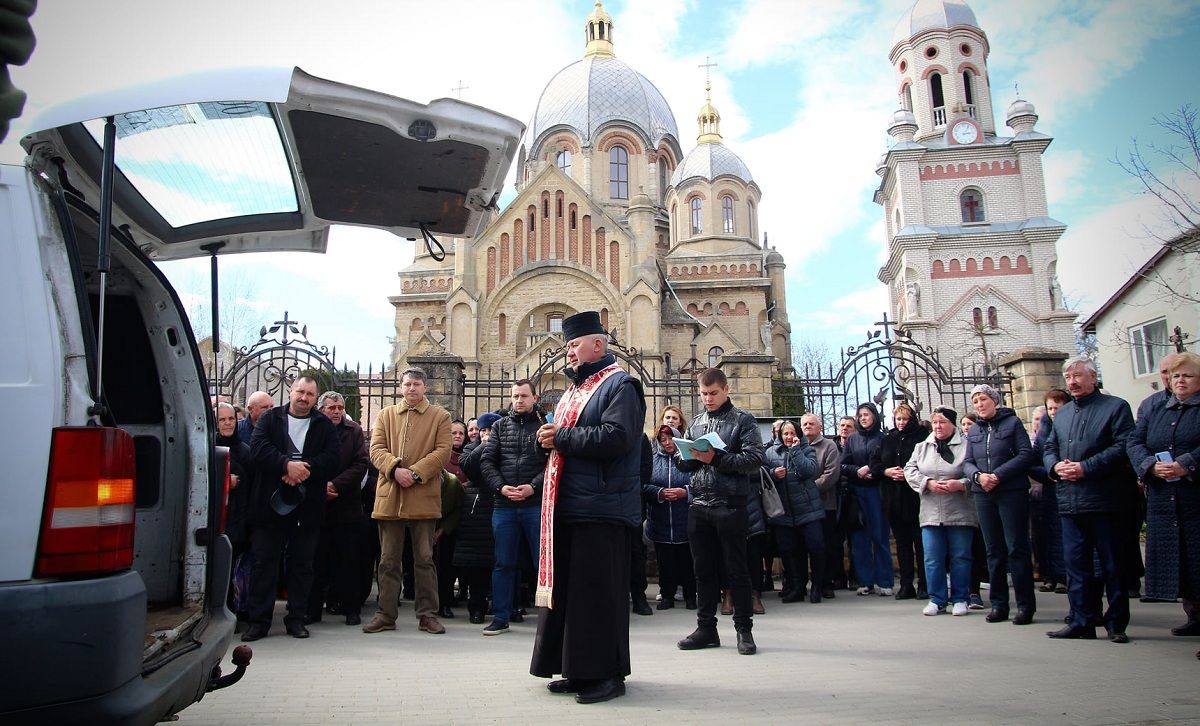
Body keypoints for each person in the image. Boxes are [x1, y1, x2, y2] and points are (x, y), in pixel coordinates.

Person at [530, 311, 646, 704]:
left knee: (599, 596)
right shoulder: (574, 391)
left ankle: (608, 674)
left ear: (598, 344)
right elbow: (559, 439)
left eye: (574, 345)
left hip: (602, 508)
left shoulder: (621, 386)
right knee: (574, 596)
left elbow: (616, 437)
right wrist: (544, 439)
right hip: (568, 506)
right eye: (566, 347)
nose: (569, 353)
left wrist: (561, 436)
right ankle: (578, 670)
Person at [1043, 356, 1136, 643]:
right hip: (1070, 501)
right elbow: (1049, 446)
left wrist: (1086, 468)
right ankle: (1081, 620)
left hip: (1105, 501)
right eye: (1068, 377)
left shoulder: (1115, 407)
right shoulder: (1065, 413)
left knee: (1112, 565)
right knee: (1076, 566)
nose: (1072, 381)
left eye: (1078, 375)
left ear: (1093, 377)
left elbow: (1123, 446)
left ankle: (1116, 623)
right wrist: (1055, 467)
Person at [674, 367, 766, 656]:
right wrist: (687, 456)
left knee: (736, 570)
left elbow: (754, 459)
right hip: (699, 504)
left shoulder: (743, 421)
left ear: (726, 389)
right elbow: (681, 461)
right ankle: (705, 628)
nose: (708, 399)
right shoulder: (697, 423)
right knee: (703, 571)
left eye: (713, 393)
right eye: (703, 394)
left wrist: (717, 458)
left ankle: (743, 629)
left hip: (730, 505)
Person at [242, 376, 340, 641]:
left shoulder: (323, 425)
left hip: (307, 507)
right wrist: (286, 466)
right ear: (290, 391)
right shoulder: (270, 419)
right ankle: (258, 621)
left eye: (309, 393)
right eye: (300, 391)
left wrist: (304, 470)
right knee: (264, 564)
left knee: (302, 565)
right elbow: (258, 448)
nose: (304, 397)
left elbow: (333, 457)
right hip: (269, 505)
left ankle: (296, 619)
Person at [364, 367, 453, 636]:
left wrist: (415, 473)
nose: (411, 388)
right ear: (400, 387)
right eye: (407, 384)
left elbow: (443, 451)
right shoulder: (385, 415)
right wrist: (394, 469)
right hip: (390, 496)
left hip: (423, 495)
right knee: (388, 560)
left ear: (425, 387)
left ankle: (427, 615)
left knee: (424, 559)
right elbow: (376, 449)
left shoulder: (440, 416)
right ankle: (385, 614)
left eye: (416, 384)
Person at [1127, 351, 1200, 637]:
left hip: (1194, 497)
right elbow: (1134, 442)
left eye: (1187, 375)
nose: (1180, 381)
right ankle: (1194, 615)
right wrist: (1150, 466)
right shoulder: (1156, 408)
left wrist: (1186, 464)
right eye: (1175, 375)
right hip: (1164, 500)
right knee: (1181, 562)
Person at [963, 383, 1038, 626]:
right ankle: (999, 604)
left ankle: (1025, 605)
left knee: (1016, 547)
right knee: (993, 550)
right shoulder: (974, 431)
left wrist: (998, 475)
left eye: (983, 399)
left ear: (994, 400)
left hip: (1010, 491)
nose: (979, 405)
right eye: (975, 401)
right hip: (983, 492)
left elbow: (1026, 454)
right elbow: (968, 461)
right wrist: (978, 477)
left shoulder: (1012, 424)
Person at [480, 380, 548, 635]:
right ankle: (500, 616)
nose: (519, 400)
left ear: (534, 397)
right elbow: (488, 462)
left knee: (541, 563)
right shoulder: (498, 426)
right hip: (504, 505)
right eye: (515, 396)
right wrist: (501, 487)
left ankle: (548, 618)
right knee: (503, 563)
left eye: (524, 396)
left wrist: (533, 486)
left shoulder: (544, 426)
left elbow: (553, 463)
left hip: (534, 503)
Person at [905, 406, 976, 616]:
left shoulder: (967, 446)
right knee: (932, 557)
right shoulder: (922, 447)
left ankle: (961, 598)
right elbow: (910, 469)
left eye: (942, 422)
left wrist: (961, 484)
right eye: (935, 422)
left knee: (960, 556)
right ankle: (937, 599)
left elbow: (975, 471)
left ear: (953, 425)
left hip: (960, 509)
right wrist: (927, 483)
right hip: (931, 510)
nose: (937, 426)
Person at [307, 392, 370, 627]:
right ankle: (312, 610)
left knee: (349, 562)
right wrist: (320, 485)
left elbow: (361, 463)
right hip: (317, 504)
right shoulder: (313, 428)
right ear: (322, 408)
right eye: (332, 407)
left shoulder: (353, 431)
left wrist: (335, 484)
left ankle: (350, 608)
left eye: (340, 407)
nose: (336, 411)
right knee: (316, 561)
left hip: (346, 504)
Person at [870, 403, 929, 600]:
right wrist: (887, 471)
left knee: (920, 544)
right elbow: (875, 464)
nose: (901, 423)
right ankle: (906, 584)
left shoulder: (922, 438)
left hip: (916, 497)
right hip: (893, 499)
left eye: (904, 419)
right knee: (902, 544)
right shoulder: (888, 439)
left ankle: (924, 584)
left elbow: (928, 464)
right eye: (898, 419)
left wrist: (909, 475)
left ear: (911, 419)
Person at [764, 420, 823, 604]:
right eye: (785, 434)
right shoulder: (771, 452)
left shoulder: (807, 449)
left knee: (815, 547)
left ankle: (817, 586)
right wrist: (773, 473)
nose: (789, 437)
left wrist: (796, 451)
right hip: (783, 512)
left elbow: (809, 471)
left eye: (792, 433)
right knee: (788, 551)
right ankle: (796, 587)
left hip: (808, 509)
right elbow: (764, 474)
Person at [842, 403, 892, 596]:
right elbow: (843, 465)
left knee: (880, 537)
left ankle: (885, 581)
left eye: (867, 415)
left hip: (876, 491)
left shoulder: (883, 438)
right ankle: (865, 581)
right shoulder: (852, 440)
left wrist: (873, 470)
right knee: (859, 539)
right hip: (857, 492)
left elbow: (887, 462)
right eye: (860, 415)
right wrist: (857, 471)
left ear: (875, 416)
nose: (863, 418)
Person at [647, 425, 695, 610]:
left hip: (685, 519)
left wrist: (685, 492)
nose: (667, 443)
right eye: (663, 440)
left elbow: (699, 484)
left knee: (687, 562)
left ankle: (691, 595)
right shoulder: (653, 460)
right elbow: (644, 485)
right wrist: (659, 493)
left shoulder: (688, 458)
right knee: (665, 563)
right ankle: (667, 595)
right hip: (661, 521)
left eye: (670, 438)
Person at [215, 402, 254, 625]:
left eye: (231, 419)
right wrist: (224, 481)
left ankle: (241, 611)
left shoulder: (245, 450)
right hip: (218, 519)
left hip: (241, 518)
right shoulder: (210, 447)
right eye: (222, 420)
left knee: (240, 569)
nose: (228, 423)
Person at [801, 414, 842, 600]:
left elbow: (831, 473)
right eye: (804, 424)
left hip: (825, 504)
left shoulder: (829, 446)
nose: (807, 426)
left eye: (811, 423)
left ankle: (827, 583)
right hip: (803, 507)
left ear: (820, 427)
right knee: (808, 545)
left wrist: (810, 489)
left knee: (826, 545)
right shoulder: (798, 446)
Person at [1034, 390, 1070, 594]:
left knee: (1067, 535)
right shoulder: (1044, 430)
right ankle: (1050, 575)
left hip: (1072, 486)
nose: (1054, 412)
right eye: (1050, 408)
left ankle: (1066, 575)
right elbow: (1033, 461)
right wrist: (1049, 472)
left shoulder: (1071, 425)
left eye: (1058, 407)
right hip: (1050, 488)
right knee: (1048, 535)